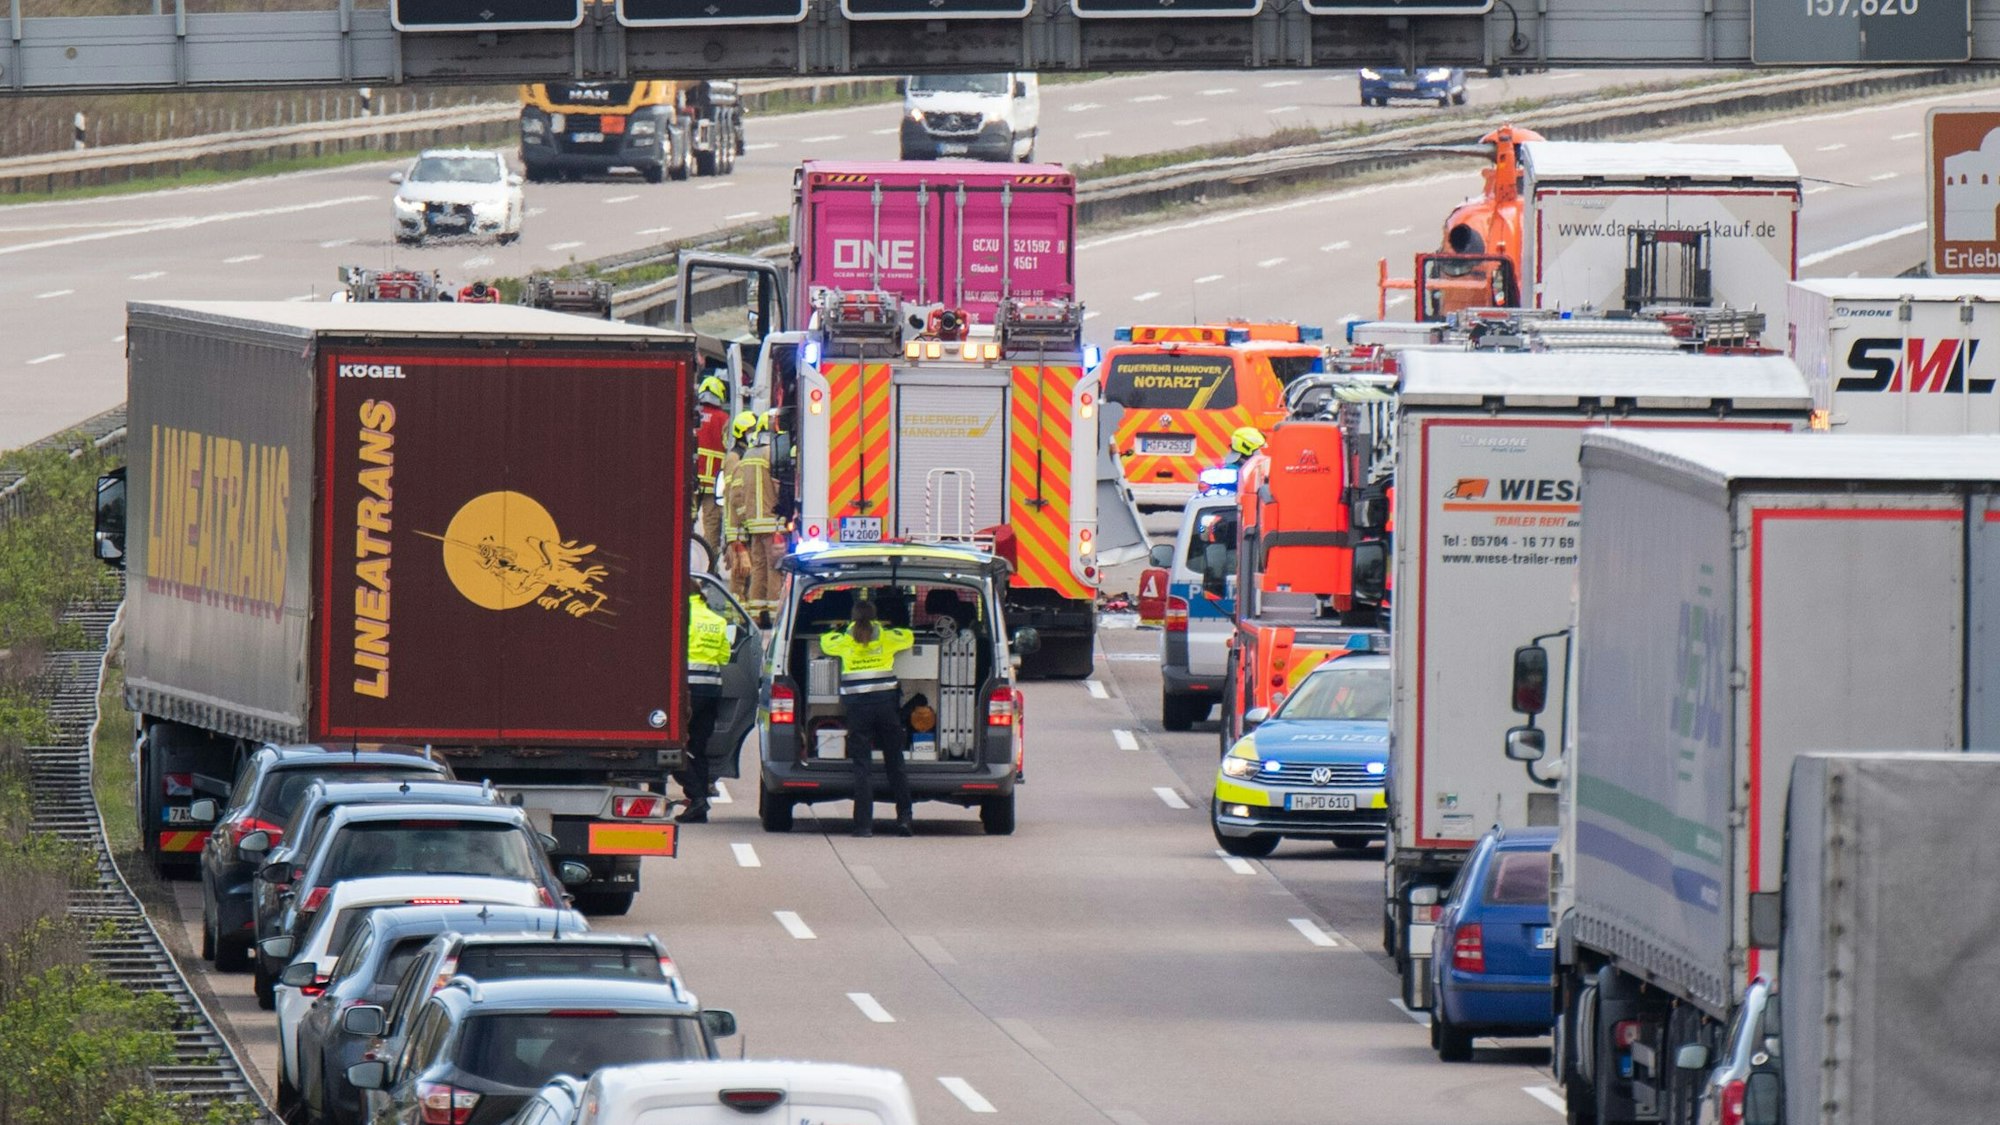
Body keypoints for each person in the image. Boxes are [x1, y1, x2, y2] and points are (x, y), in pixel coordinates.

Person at [819, 597, 915, 837]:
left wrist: (841, 628)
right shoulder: (886, 637)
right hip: (885, 706)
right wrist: (887, 627)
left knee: (862, 767)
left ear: (853, 617)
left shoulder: (844, 640)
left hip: (858, 709)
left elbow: (824, 642)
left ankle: (863, 826)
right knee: (895, 763)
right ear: (875, 617)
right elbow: (908, 636)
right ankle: (904, 818)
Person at [675, 591, 730, 824]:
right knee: (698, 746)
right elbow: (724, 657)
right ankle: (700, 806)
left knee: (672, 747)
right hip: (711, 690)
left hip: (686, 689)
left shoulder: (679, 614)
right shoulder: (717, 620)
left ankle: (697, 799)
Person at [722, 410, 781, 615]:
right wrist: (735, 536)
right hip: (763, 523)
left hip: (752, 524)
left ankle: (755, 614)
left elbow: (738, 494)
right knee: (770, 570)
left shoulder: (747, 455)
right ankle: (770, 616)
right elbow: (734, 495)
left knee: (757, 569)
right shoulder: (745, 456)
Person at [693, 376, 730, 555]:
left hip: (691, 481)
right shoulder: (724, 419)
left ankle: (686, 563)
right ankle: (709, 565)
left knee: (685, 524)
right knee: (711, 526)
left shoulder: (692, 415)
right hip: (714, 484)